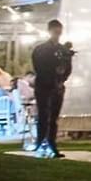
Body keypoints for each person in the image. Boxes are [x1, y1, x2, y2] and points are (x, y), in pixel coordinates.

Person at [30, 20, 74, 157]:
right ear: (50, 31)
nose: (58, 34)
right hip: (44, 86)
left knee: (54, 117)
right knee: (43, 115)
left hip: (57, 86)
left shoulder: (62, 50)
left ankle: (51, 143)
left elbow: (68, 68)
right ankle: (41, 143)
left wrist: (61, 79)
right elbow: (39, 67)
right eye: (56, 32)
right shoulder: (41, 49)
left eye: (59, 32)